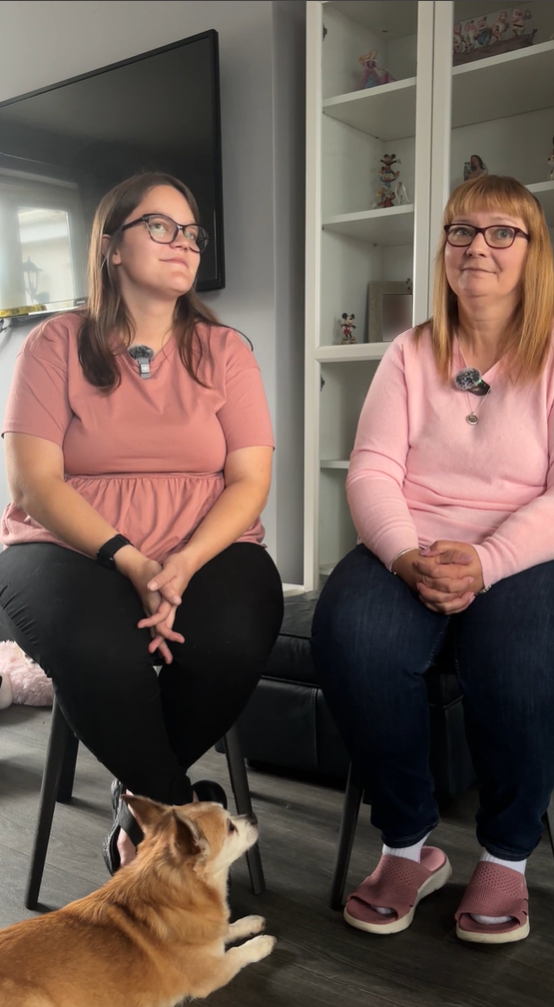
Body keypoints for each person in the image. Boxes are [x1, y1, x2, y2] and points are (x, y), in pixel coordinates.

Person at [311, 174, 554, 944]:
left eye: (500, 232)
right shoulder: (410, 351)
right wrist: (406, 555)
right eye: (460, 232)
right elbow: (370, 468)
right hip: (416, 540)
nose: (476, 246)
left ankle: (506, 854)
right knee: (351, 637)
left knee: (521, 657)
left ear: (533, 253)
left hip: (544, 547)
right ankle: (408, 843)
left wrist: (488, 559)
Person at [0, 172, 283, 873]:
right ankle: (180, 812)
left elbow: (249, 482)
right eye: (160, 226)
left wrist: (182, 563)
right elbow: (34, 483)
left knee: (230, 638)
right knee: (100, 652)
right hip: (70, 545)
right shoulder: (53, 344)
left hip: (205, 543)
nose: (182, 243)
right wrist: (132, 560)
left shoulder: (227, 352)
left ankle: (146, 819)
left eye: (191, 232)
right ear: (112, 247)